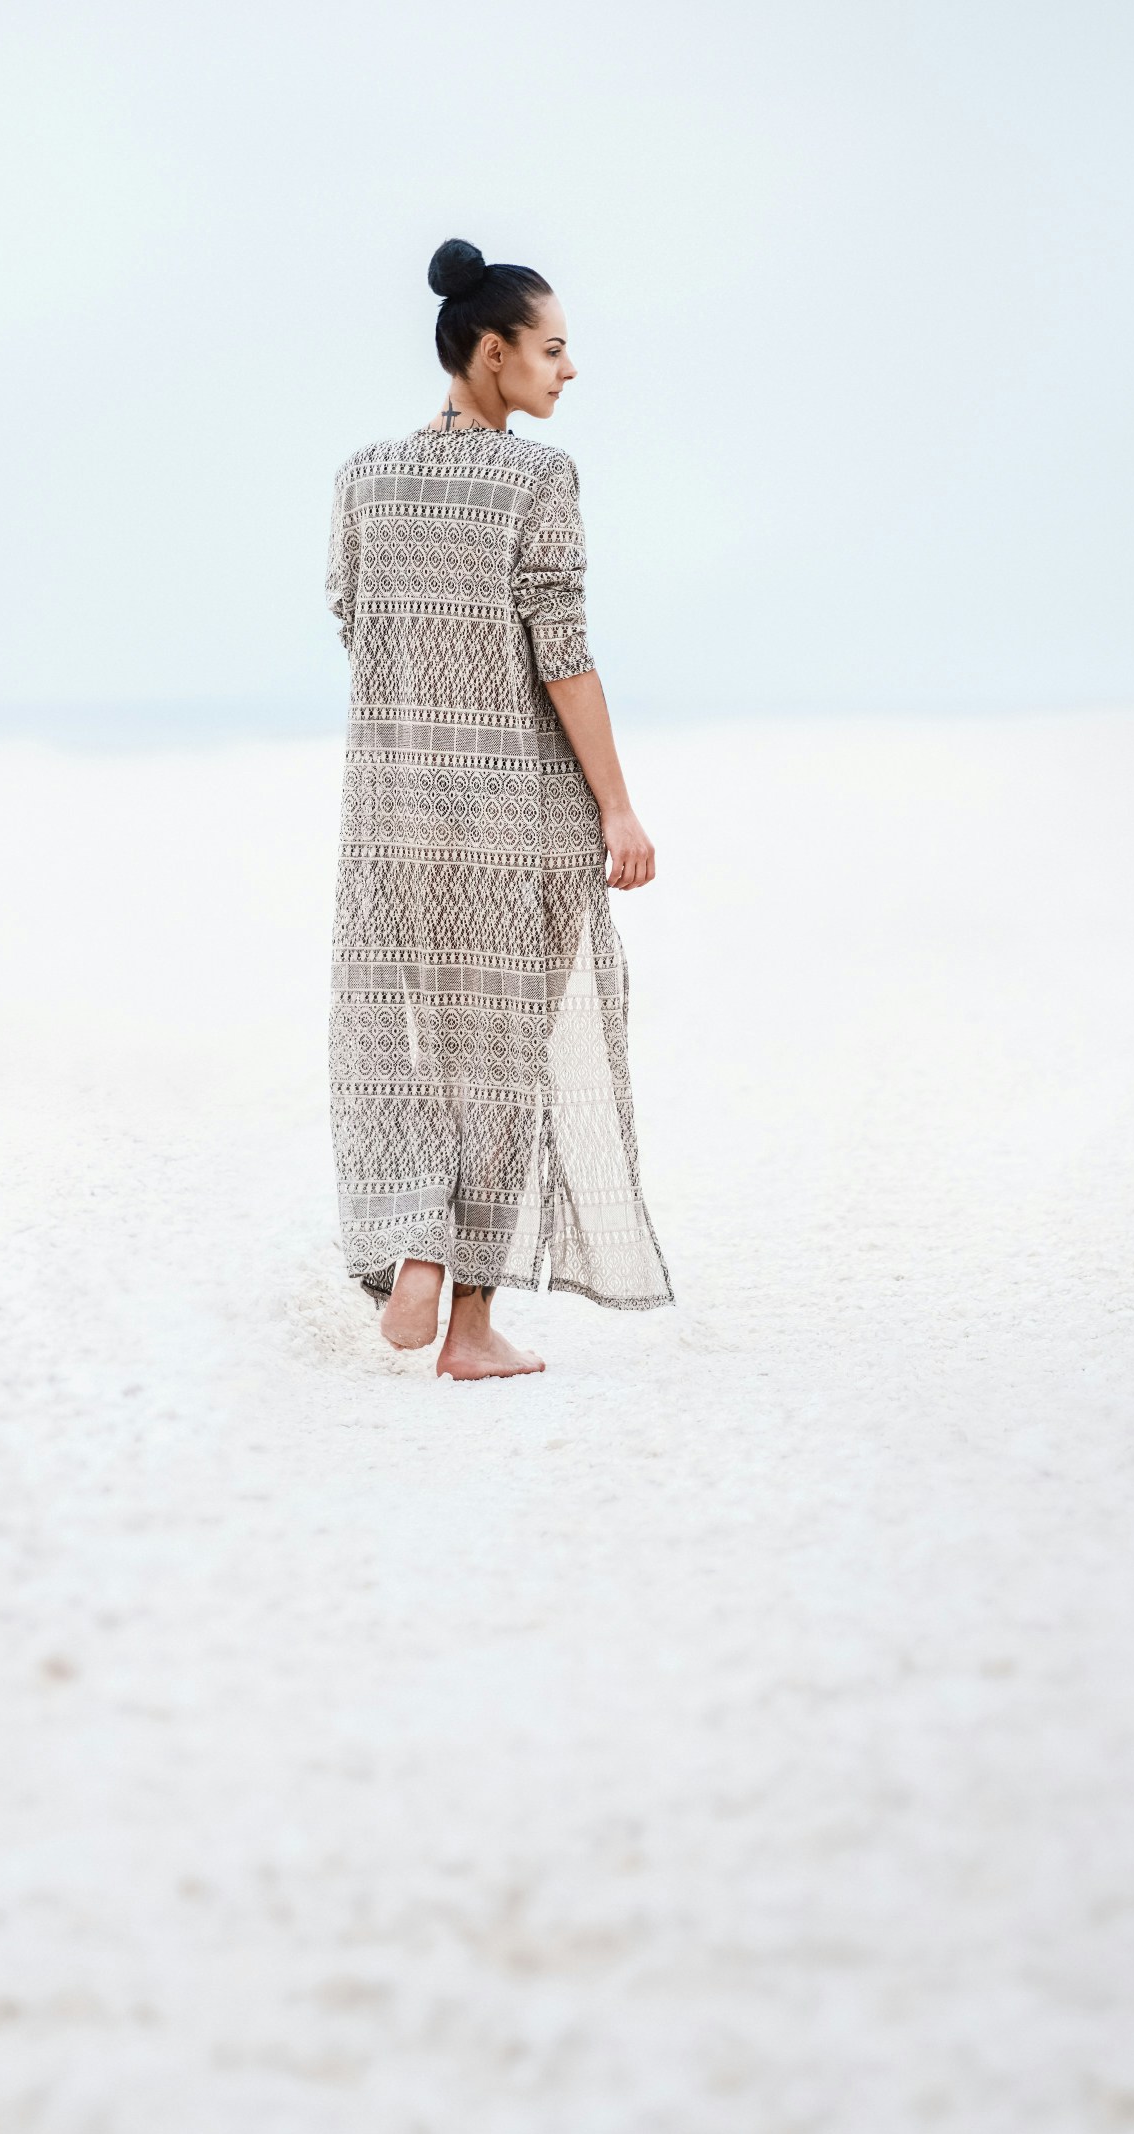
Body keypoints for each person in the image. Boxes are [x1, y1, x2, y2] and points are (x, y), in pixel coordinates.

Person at [324, 237, 675, 1379]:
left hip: (392, 811)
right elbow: (561, 653)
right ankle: (468, 1326)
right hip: (515, 814)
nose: (568, 370)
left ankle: (410, 1242)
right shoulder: (537, 480)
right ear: (492, 354)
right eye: (554, 348)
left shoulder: (364, 475)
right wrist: (618, 808)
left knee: (406, 1041)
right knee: (503, 1055)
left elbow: (351, 617)